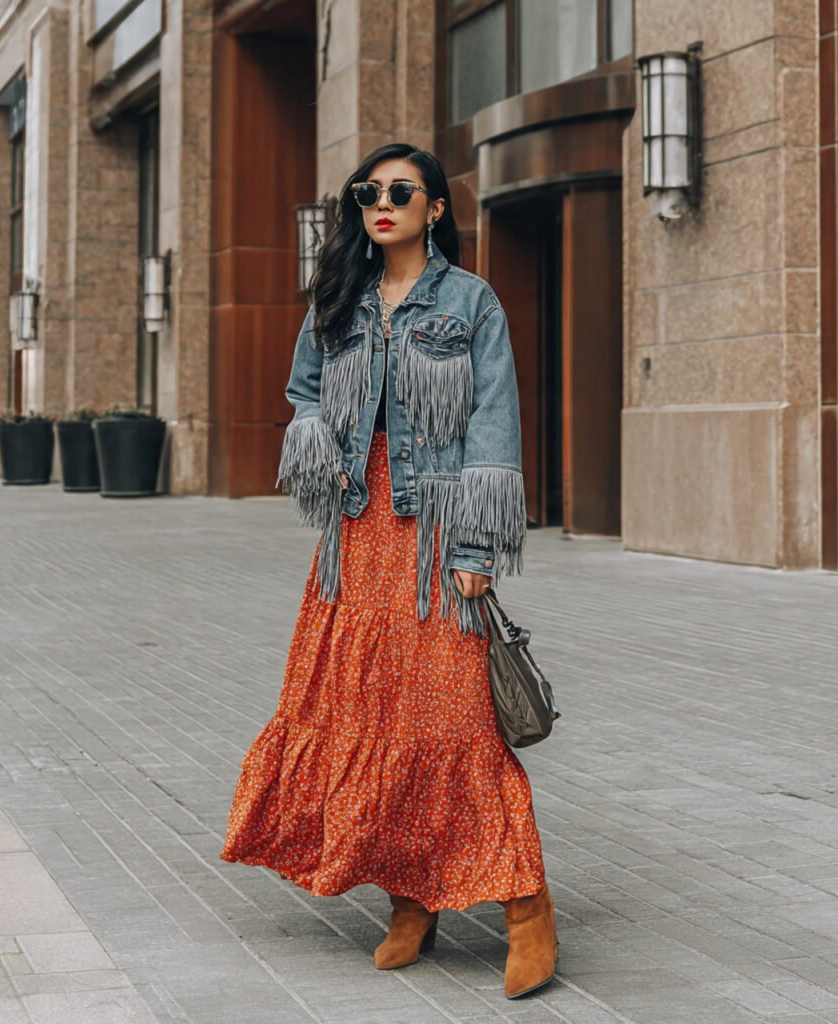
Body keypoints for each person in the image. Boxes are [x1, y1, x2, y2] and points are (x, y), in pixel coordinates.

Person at [220, 142, 557, 999]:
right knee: (371, 714)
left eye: (401, 192)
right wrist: (319, 449)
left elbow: (494, 422)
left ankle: (527, 909)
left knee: (454, 724)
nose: (383, 203)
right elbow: (302, 390)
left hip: (437, 532)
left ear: (435, 208)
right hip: (357, 534)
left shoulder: (471, 302)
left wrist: (476, 549)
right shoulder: (340, 298)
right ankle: (411, 900)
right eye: (369, 191)